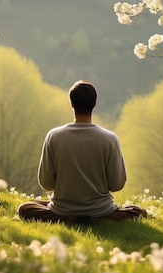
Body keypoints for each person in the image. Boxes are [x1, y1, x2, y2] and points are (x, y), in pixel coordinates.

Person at [18, 80, 146, 225]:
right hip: (101, 210)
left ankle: (67, 220)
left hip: (62, 209)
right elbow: (117, 184)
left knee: (25, 208)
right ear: (94, 103)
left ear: (71, 104)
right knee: (137, 211)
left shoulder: (54, 136)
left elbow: (46, 183)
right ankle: (97, 219)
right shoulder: (109, 138)